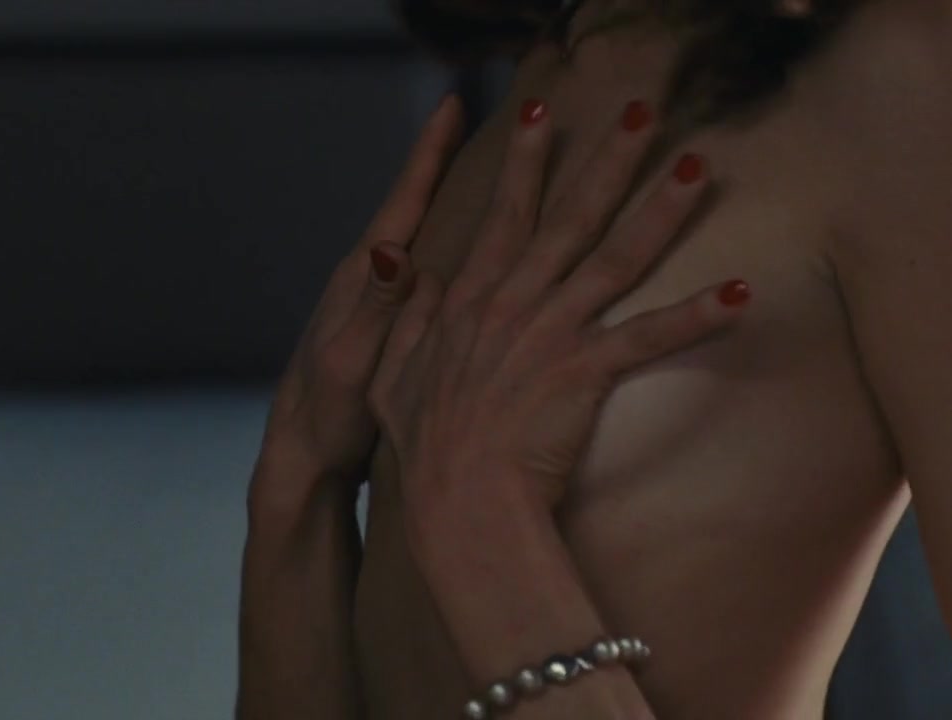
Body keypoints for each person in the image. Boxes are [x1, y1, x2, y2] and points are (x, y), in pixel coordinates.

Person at [241, 0, 952, 718]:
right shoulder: (550, 69)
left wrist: (485, 533)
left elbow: (470, 511)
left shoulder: (900, 69)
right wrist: (298, 494)